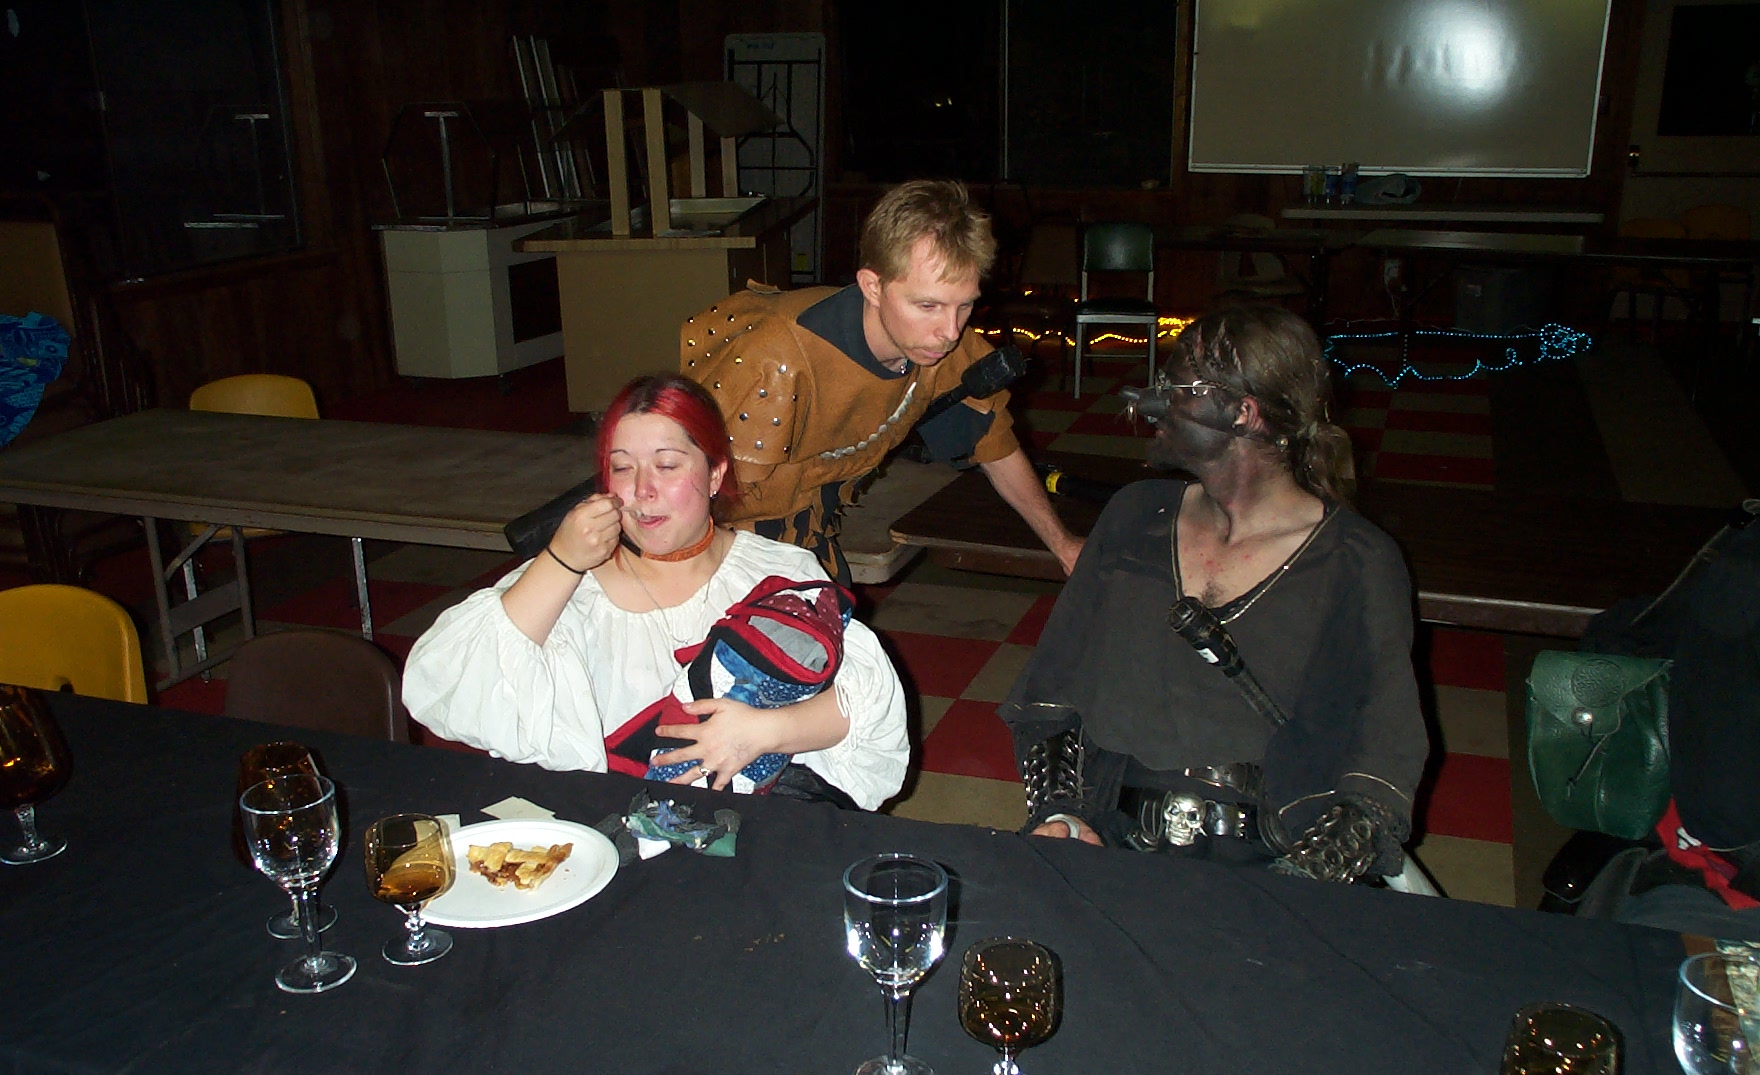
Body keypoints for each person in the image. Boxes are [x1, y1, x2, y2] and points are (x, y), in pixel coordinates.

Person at [998, 304, 1429, 882]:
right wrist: (1063, 814)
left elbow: (1382, 758)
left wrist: (1301, 879)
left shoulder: (1356, 560)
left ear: (1244, 413)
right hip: (1111, 832)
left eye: (1177, 388)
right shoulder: (1134, 515)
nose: (1151, 402)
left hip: (1274, 854)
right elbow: (1053, 691)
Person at [403, 374, 910, 811]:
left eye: (667, 466)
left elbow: (868, 705)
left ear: (715, 474)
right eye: (623, 468)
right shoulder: (572, 593)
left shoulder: (776, 576)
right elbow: (444, 687)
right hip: (604, 835)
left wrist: (762, 733)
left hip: (754, 827)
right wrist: (559, 561)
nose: (642, 490)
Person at [680, 179, 1083, 585]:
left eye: (965, 306)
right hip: (720, 547)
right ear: (872, 286)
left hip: (808, 535)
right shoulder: (775, 357)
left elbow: (995, 447)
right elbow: (690, 489)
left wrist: (1063, 545)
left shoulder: (938, 347)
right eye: (928, 305)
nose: (949, 331)